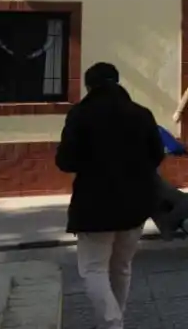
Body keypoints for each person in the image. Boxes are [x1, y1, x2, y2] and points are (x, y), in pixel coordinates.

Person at [55, 62, 164, 329]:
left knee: (93, 268)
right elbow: (157, 155)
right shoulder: (141, 114)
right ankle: (115, 319)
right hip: (136, 204)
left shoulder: (80, 114)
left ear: (89, 86)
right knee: (121, 266)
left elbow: (65, 160)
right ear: (117, 82)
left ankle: (112, 322)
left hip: (95, 205)